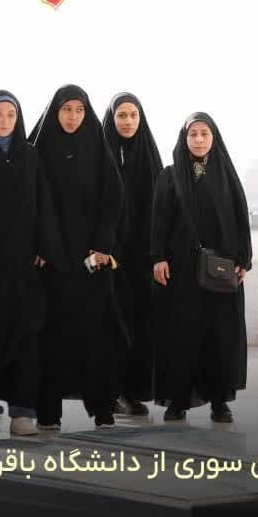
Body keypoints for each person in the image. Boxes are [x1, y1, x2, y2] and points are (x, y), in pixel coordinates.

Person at [0, 90, 66, 437]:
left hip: (24, 263)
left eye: (11, 115)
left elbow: (44, 204)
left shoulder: (30, 155)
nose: (4, 121)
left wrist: (44, 246)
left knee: (26, 337)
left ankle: (23, 411)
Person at [29, 85, 126, 430]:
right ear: (55, 111)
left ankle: (102, 407)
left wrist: (103, 245)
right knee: (51, 336)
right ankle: (47, 411)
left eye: (79, 110)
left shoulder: (97, 147)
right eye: (66, 109)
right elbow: (31, 202)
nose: (73, 117)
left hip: (91, 261)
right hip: (51, 262)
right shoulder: (38, 150)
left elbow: (113, 199)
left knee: (97, 335)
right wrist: (42, 247)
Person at [150, 113, 251, 424]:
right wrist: (158, 257)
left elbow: (241, 220)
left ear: (213, 137)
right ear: (184, 139)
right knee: (181, 335)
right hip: (181, 270)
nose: (198, 139)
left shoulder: (226, 176)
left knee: (219, 337)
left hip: (221, 271)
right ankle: (177, 401)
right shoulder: (170, 176)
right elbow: (159, 222)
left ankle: (219, 402)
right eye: (192, 134)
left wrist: (243, 260)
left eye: (204, 133)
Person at [101, 92, 163, 418]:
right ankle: (109, 392)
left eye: (133, 115)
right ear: (111, 118)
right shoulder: (101, 153)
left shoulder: (149, 155)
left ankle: (132, 392)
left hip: (141, 260)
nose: (127, 121)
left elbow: (162, 209)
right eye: (121, 115)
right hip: (107, 258)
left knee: (139, 327)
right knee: (109, 327)